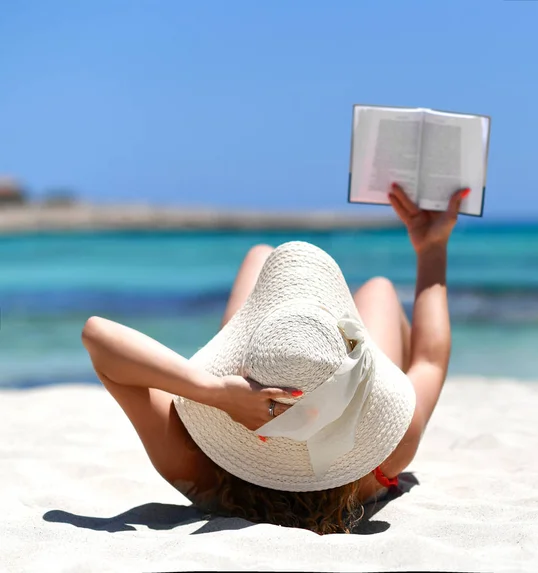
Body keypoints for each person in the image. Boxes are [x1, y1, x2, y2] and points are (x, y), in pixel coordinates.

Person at [81, 183, 469, 534]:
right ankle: (317, 342)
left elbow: (98, 336)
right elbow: (429, 361)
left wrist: (216, 391)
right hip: (346, 461)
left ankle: (286, 337)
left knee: (261, 257)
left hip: (234, 418)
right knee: (380, 290)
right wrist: (432, 248)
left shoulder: (198, 465)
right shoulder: (383, 459)